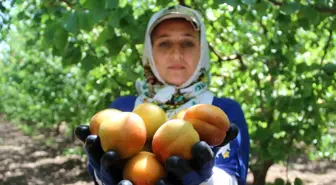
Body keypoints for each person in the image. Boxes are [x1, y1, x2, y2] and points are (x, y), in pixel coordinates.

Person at [75, 5, 250, 185]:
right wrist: (103, 177)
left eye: (188, 43)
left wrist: (207, 181)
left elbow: (233, 176)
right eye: (164, 43)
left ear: (202, 49)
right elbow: (103, 165)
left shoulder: (225, 110)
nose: (176, 54)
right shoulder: (123, 108)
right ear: (150, 53)